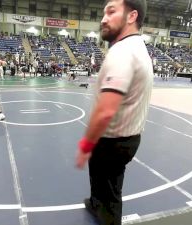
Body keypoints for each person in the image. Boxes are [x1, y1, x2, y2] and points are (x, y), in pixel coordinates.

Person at [75, 0, 152, 224]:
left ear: (131, 16)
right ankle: (96, 203)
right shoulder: (138, 47)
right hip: (128, 137)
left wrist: (86, 145)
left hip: (112, 141)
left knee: (110, 191)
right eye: (103, 13)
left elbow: (105, 111)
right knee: (105, 179)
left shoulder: (122, 52)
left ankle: (105, 212)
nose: (103, 19)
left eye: (111, 12)